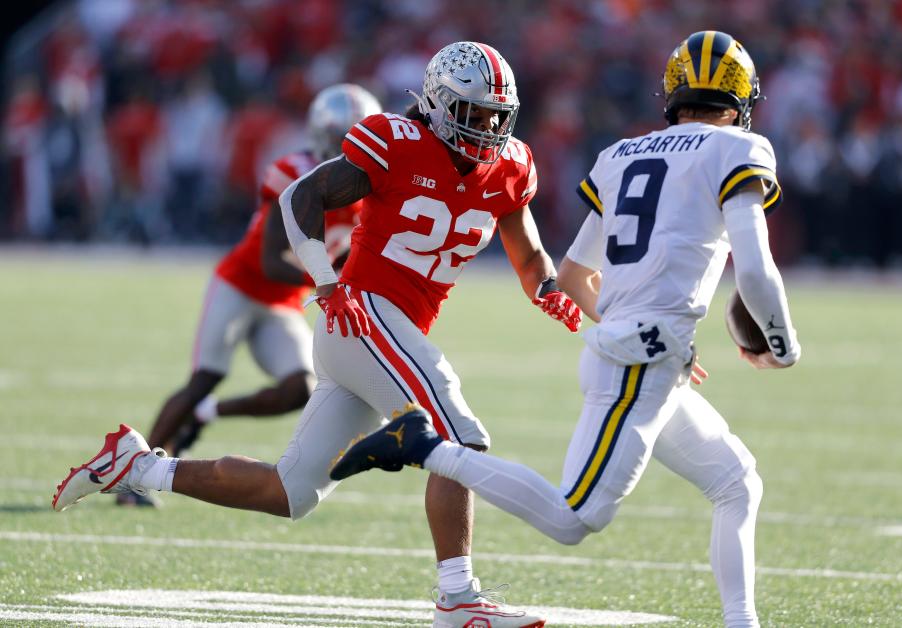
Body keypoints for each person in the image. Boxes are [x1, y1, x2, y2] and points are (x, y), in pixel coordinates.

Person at [53, 42, 580, 628]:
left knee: (288, 492)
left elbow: (529, 252)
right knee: (458, 438)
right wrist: (328, 281)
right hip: (364, 314)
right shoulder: (396, 141)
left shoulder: (509, 166)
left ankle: (138, 467)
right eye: (472, 113)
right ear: (436, 104)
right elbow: (300, 196)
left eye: (494, 116)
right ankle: (458, 599)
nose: (486, 128)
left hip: (372, 333)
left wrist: (550, 290)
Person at [329, 31, 802, 628]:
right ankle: (419, 445)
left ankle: (742, 621)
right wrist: (782, 346)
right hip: (639, 362)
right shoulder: (739, 147)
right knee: (574, 519)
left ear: (673, 91)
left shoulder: (622, 154)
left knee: (737, 481)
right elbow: (755, 269)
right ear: (741, 96)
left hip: (640, 352)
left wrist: (638, 326)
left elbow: (575, 274)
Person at [116, 84, 381, 508]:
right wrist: (331, 285)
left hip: (282, 302)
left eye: (359, 144)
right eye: (341, 143)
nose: (349, 155)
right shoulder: (294, 172)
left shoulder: (371, 195)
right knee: (205, 376)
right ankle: (133, 476)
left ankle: (207, 414)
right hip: (241, 284)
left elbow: (349, 257)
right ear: (322, 139)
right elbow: (271, 260)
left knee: (300, 388)